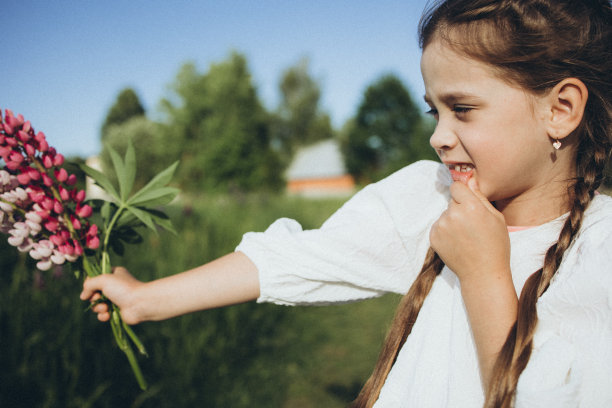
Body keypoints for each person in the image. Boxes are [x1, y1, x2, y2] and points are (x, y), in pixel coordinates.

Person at [81, 0, 612, 406]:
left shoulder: (602, 251)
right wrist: (148, 298)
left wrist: (483, 275)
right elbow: (301, 258)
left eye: (463, 109)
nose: (439, 137)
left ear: (561, 109)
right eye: (434, 112)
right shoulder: (427, 197)